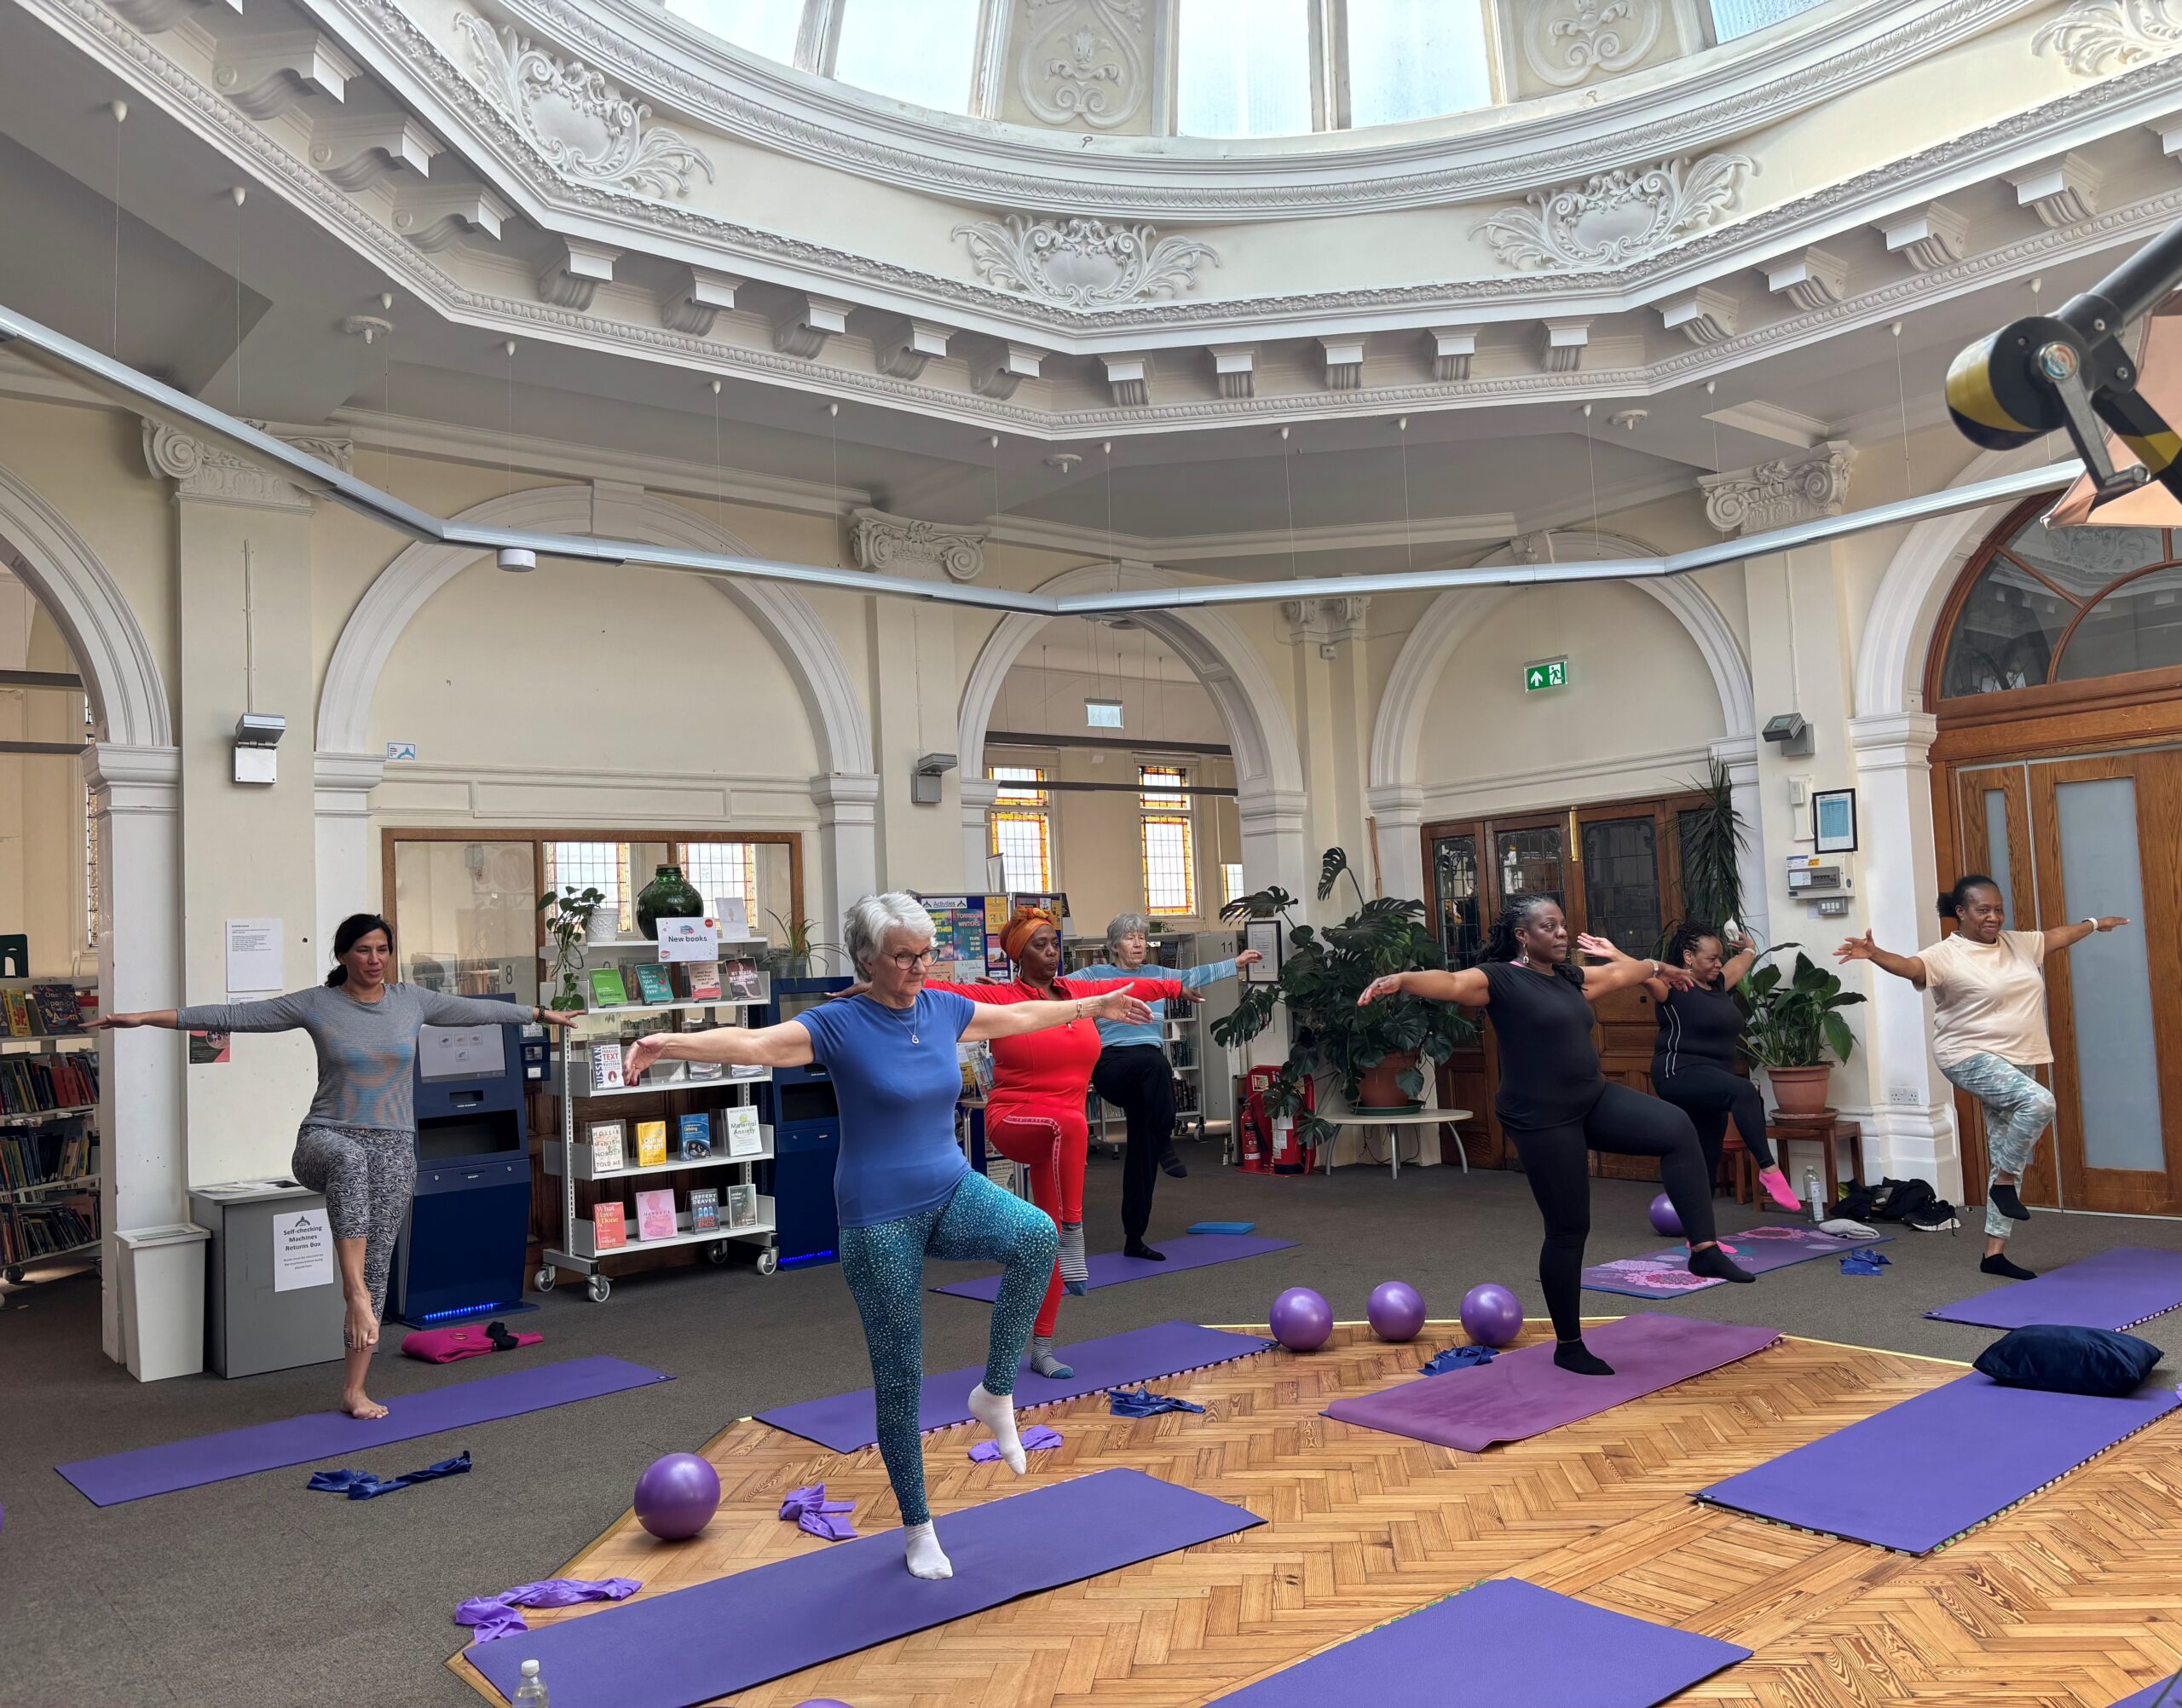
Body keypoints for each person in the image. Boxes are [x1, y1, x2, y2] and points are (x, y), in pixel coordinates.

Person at [626, 892, 1153, 1582]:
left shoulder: (942, 1008)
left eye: (925, 953)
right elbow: (758, 1045)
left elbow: (1020, 1015)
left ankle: (994, 1394)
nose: (918, 966)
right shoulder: (840, 1023)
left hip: (950, 1190)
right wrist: (669, 1042)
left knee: (1035, 1235)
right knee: (900, 1378)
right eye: (903, 956)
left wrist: (1093, 1006)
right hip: (879, 1220)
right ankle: (918, 1527)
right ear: (868, 959)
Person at [90, 913, 579, 1420]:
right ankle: (353, 1293)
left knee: (377, 1265)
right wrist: (146, 1018)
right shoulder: (318, 1004)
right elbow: (240, 1016)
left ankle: (354, 1388)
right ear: (343, 954)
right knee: (348, 1168)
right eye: (364, 950)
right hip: (325, 1138)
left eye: (383, 950)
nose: (375, 960)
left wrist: (542, 1015)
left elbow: (474, 1010)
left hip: (393, 1146)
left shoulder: (411, 1001)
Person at [1360, 895, 1751, 1376]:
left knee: (1677, 1128)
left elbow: (1616, 976)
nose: (1562, 933)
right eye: (1549, 926)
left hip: (1591, 1098)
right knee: (1569, 1230)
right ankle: (1569, 1344)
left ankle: (1704, 1251)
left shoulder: (1568, 978)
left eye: (1563, 925)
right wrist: (1403, 980)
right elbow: (1454, 984)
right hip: (1542, 1118)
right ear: (1524, 935)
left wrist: (1661, 967)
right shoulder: (1498, 978)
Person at [922, 906, 1194, 1379]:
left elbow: (1137, 986)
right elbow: (940, 990)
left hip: (1061, 1140)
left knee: (1043, 1235)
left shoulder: (1078, 995)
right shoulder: (1001, 998)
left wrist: (1176, 986)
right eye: (1040, 946)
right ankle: (1076, 1230)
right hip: (1016, 1119)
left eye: (1055, 945)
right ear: (1017, 956)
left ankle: (1043, 1347)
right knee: (1069, 1127)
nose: (1052, 954)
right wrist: (877, 989)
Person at [1836, 876, 2128, 1280]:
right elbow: (1910, 968)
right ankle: (2004, 1182)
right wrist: (1874, 953)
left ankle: (1993, 1254)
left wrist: (2094, 924)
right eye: (1982, 910)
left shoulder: (2018, 944)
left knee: (2005, 1144)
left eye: (1998, 909)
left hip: (2018, 1056)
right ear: (1961, 912)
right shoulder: (1946, 954)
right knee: (2039, 1103)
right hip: (1967, 1056)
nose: (1993, 917)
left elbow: (2059, 934)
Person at [1077, 912, 1263, 1261]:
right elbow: (1053, 989)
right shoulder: (1094, 975)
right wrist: (1003, 991)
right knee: (1157, 1063)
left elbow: (1195, 975)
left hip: (1148, 1076)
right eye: (1130, 937)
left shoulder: (1159, 976)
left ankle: (1135, 1237)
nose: (1137, 943)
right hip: (1113, 1065)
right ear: (1114, 944)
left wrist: (1235, 963)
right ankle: (1167, 1138)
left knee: (1142, 1158)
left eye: (1142, 938)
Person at [1640, 921, 1804, 1213]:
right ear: (1689, 957)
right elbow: (1638, 973)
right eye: (1711, 959)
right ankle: (1769, 1170)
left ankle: (1703, 1242)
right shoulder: (1670, 987)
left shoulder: (1718, 984)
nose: (1719, 964)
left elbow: (1741, 963)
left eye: (1720, 958)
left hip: (1712, 1080)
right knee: (1743, 1091)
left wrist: (1750, 947)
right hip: (1678, 1072)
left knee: (1706, 1159)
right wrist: (1652, 966)